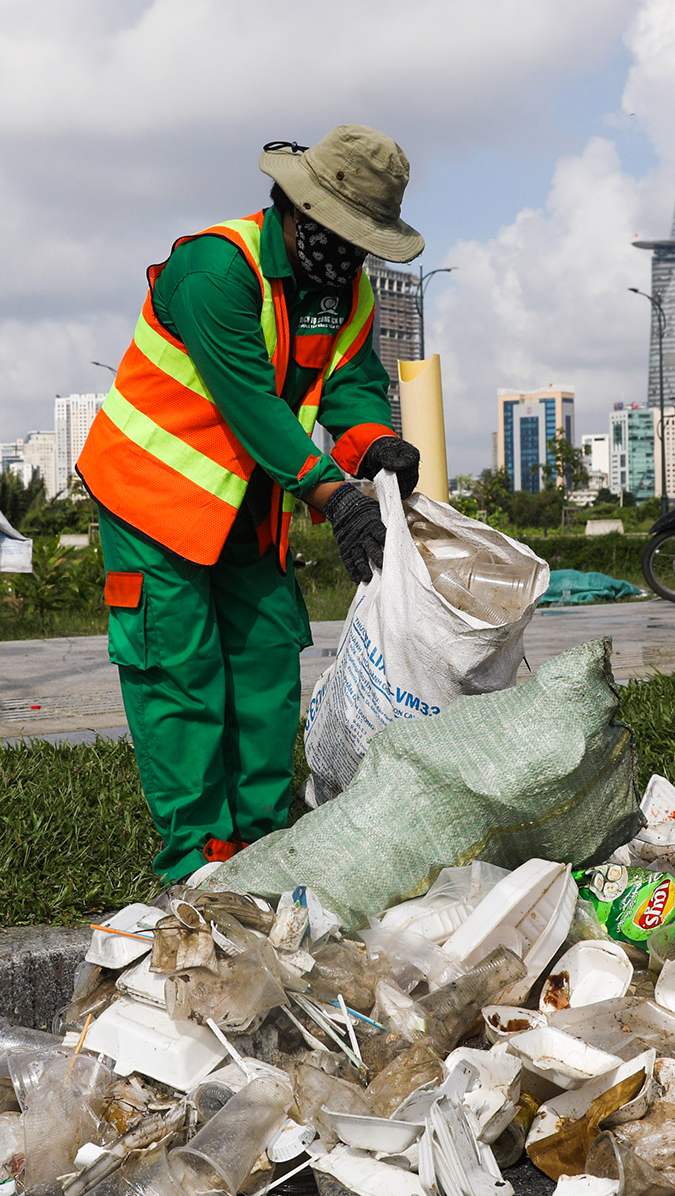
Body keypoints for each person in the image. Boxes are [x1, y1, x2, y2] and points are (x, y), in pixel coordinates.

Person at [77, 125, 427, 882]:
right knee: (181, 670)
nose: (349, 256)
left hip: (252, 504)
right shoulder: (215, 269)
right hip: (155, 497)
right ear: (297, 210)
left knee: (266, 658)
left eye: (363, 242)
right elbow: (250, 404)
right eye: (341, 236)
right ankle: (199, 858)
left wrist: (372, 446)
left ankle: (262, 844)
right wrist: (334, 493)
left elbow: (351, 382)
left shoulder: (347, 291)